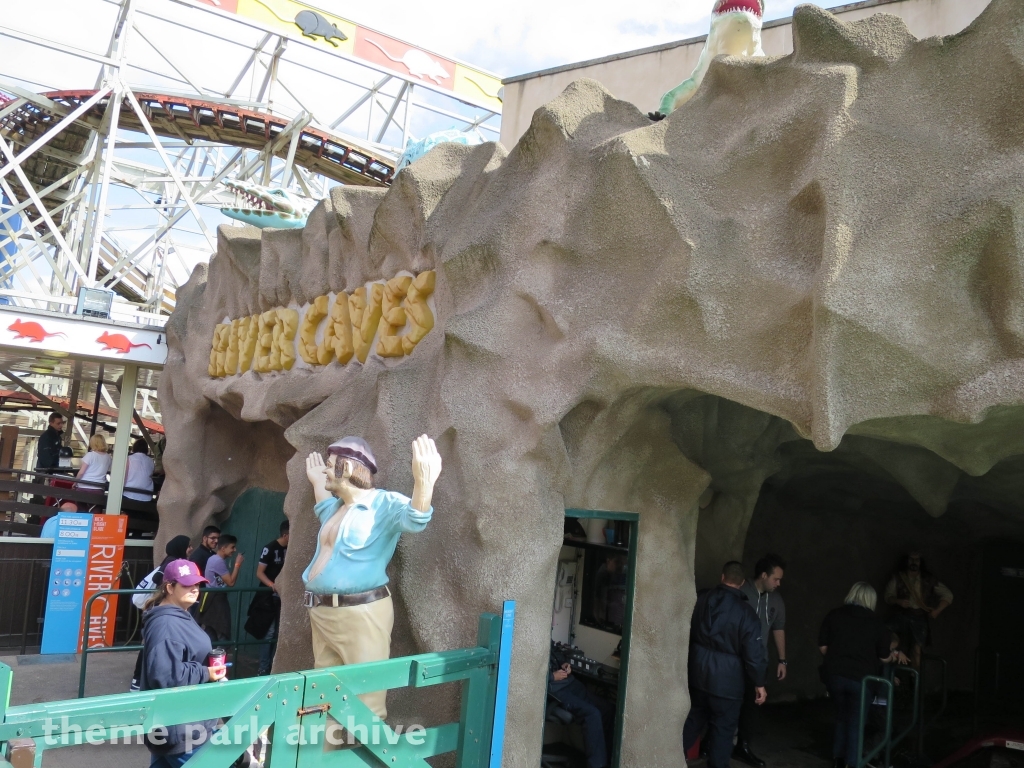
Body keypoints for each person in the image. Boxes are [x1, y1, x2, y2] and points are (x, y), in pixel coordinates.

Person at [302, 434, 441, 719]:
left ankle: (364, 760)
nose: (326, 470)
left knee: (366, 700)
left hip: (360, 612)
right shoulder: (336, 508)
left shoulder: (383, 504)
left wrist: (424, 483)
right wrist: (318, 482)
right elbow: (322, 506)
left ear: (349, 469)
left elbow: (415, 519)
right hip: (321, 612)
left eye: (330, 465)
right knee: (322, 696)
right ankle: (326, 759)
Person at [139, 558, 226, 767]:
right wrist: (206, 672)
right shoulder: (166, 624)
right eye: (187, 584)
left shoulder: (180, 614)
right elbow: (165, 675)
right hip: (180, 729)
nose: (195, 589)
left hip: (178, 726)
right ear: (169, 587)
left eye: (197, 583)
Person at [683, 561, 768, 768]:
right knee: (723, 730)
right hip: (727, 684)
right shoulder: (747, 614)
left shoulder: (701, 599)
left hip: (698, 674)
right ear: (742, 583)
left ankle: (666, 759)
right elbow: (754, 654)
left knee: (692, 721)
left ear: (722, 577)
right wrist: (759, 683)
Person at [819, 582, 909, 768]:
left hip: (834, 676)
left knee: (842, 716)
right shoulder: (877, 624)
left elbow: (823, 647)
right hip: (862, 680)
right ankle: (853, 763)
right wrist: (893, 656)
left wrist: (840, 656)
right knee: (855, 722)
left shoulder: (834, 615)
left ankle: (839, 760)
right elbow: (884, 657)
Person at [735, 554, 788, 767]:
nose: (778, 583)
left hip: (758, 662)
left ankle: (743, 745)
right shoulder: (741, 591)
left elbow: (778, 628)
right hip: (735, 661)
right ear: (763, 575)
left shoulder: (776, 599)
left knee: (752, 706)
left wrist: (783, 660)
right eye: (775, 578)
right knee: (727, 702)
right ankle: (715, 740)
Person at [131, 535, 194, 690]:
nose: (191, 549)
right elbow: (161, 583)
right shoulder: (172, 563)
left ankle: (138, 680)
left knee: (150, 645)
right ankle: (139, 680)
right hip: (161, 611)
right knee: (152, 646)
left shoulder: (169, 560)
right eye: (188, 546)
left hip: (156, 610)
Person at [548, 643, 615, 768]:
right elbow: (529, 675)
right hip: (554, 690)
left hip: (569, 682)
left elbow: (555, 650)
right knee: (592, 714)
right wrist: (552, 676)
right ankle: (597, 765)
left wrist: (564, 664)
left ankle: (608, 760)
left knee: (608, 709)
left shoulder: (545, 636)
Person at [884, 551, 952, 668]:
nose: (914, 562)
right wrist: (898, 601)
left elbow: (948, 595)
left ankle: (914, 679)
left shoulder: (927, 579)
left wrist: (937, 610)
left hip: (919, 618)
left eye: (917, 560)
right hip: (901, 615)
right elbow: (888, 596)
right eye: (911, 559)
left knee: (917, 651)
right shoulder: (899, 577)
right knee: (889, 638)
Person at [246, 520, 289, 675]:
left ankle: (273, 666)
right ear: (285, 535)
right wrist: (272, 585)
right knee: (269, 633)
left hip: (283, 597)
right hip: (268, 597)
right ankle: (263, 668)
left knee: (279, 632)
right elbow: (259, 572)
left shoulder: (291, 549)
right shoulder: (270, 548)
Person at [198, 534, 243, 643]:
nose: (234, 550)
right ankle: (219, 659)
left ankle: (210, 659)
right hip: (216, 600)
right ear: (223, 548)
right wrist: (237, 565)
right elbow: (231, 582)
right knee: (222, 634)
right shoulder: (217, 561)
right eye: (232, 547)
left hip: (213, 598)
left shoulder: (214, 559)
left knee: (211, 635)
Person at [70, 434, 112, 510]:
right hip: (98, 488)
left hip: (84, 487)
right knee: (96, 511)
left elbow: (81, 472)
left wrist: (75, 482)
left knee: (81, 510)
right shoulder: (108, 457)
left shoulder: (90, 455)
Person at [124, 438, 156, 502]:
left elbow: (124, 477)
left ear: (134, 447)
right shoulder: (151, 461)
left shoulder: (129, 459)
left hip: (129, 494)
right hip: (147, 496)